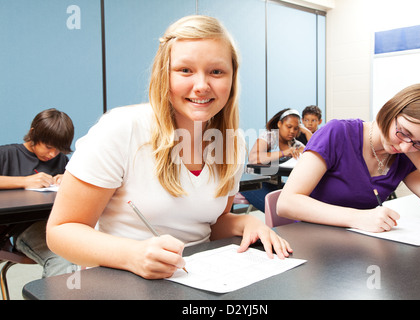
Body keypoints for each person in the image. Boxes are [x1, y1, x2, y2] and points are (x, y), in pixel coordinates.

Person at [46, 15, 292, 280]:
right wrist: (132, 255)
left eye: (216, 71)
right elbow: (61, 231)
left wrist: (244, 221)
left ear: (232, 78)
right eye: (185, 70)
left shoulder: (231, 143)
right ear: (165, 73)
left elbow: (210, 225)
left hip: (198, 279)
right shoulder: (120, 129)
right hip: (120, 282)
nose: (201, 86)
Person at [278, 83, 420, 233]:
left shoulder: (405, 153)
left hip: (360, 249)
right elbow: (286, 203)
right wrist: (358, 218)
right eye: (404, 132)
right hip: (311, 244)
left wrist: (417, 151)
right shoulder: (338, 133)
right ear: (390, 109)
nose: (404, 146)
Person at [0, 108, 75, 277]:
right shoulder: (7, 154)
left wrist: (67, 180)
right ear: (33, 133)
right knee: (62, 259)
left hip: (58, 224)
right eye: (48, 146)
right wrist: (24, 181)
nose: (52, 154)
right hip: (22, 228)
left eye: (58, 150)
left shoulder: (61, 160)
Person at [241, 108, 306, 212]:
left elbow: (311, 155)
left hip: (275, 183)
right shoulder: (269, 136)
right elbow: (253, 158)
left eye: (296, 128)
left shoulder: (295, 144)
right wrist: (284, 153)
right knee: (277, 211)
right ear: (279, 124)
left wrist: (306, 132)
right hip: (252, 183)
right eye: (289, 127)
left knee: (300, 203)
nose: (292, 131)